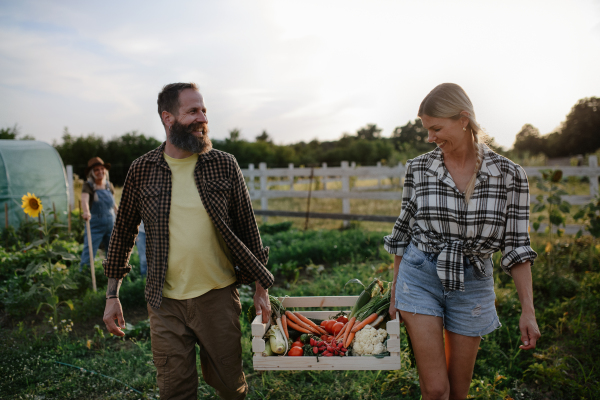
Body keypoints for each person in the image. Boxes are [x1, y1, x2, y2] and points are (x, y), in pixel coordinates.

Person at [102, 82, 273, 400]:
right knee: (174, 390)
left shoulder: (223, 164)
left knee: (229, 385)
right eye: (192, 111)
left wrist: (261, 288)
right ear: (168, 118)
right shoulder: (142, 170)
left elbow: (249, 229)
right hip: (165, 303)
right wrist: (112, 296)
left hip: (218, 298)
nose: (202, 117)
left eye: (204, 110)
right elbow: (123, 233)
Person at [385, 83, 541, 400]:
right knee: (436, 390)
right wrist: (395, 289)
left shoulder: (510, 175)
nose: (430, 138)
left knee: (458, 392)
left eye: (436, 128)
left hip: (473, 281)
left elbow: (517, 247)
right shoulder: (419, 169)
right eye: (427, 130)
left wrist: (528, 310)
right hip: (420, 275)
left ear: (464, 119)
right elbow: (403, 232)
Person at [80, 157, 117, 268]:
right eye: (96, 170)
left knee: (113, 253)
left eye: (102, 169)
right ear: (92, 173)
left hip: (111, 222)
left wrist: (118, 213)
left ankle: (112, 277)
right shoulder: (88, 186)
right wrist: (86, 212)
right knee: (89, 251)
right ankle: (84, 277)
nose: (100, 171)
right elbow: (84, 200)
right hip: (95, 223)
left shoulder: (109, 185)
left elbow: (113, 203)